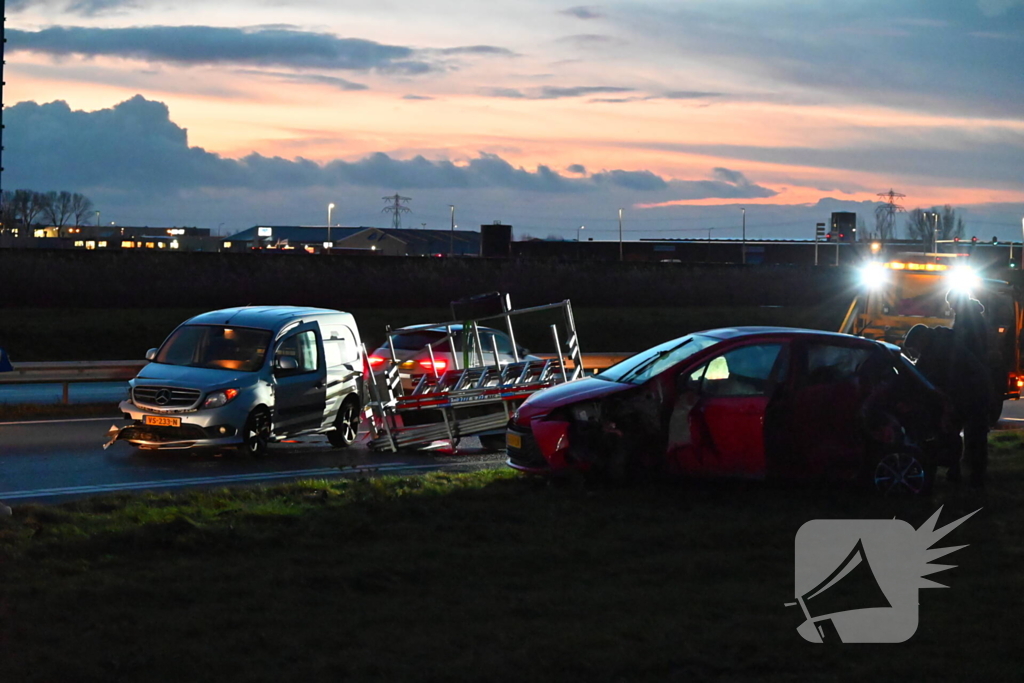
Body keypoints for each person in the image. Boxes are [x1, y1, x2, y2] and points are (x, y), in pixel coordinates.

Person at [903, 324, 991, 486]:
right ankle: (957, 471)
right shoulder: (936, 344)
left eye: (916, 347)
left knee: (973, 435)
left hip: (974, 393)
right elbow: (921, 371)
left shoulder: (942, 348)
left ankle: (976, 477)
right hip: (966, 392)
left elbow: (949, 380)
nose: (917, 351)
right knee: (954, 431)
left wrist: (947, 407)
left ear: (922, 338)